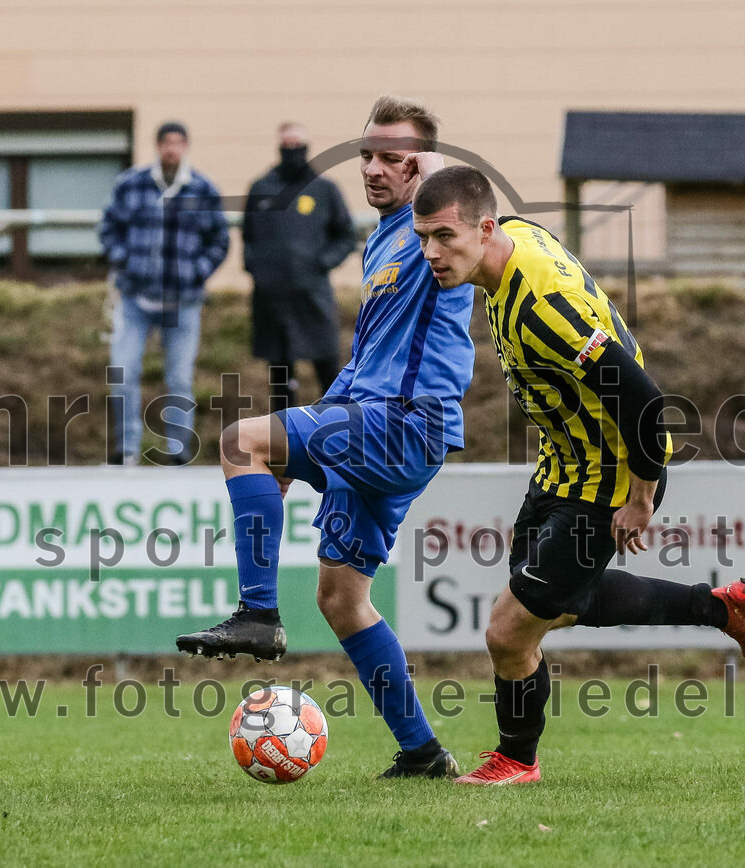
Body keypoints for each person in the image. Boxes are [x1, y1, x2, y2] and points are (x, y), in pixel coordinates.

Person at [409, 165, 745, 785]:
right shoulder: (510, 239)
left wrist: (641, 495)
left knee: (508, 631)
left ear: (486, 228)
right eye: (423, 237)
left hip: (609, 478)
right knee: (555, 608)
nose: (431, 253)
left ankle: (517, 760)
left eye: (444, 237)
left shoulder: (546, 310)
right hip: (562, 467)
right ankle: (720, 607)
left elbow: (646, 402)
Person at [177, 96, 475, 779]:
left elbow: (459, 185)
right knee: (342, 597)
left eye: (391, 158)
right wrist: (298, 444)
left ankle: (256, 614)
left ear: (424, 167)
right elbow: (367, 356)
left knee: (235, 441)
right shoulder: (380, 240)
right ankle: (424, 753)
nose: (372, 169)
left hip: (403, 424)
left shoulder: (442, 228)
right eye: (366, 154)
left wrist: (428, 167)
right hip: (372, 419)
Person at [99, 121, 229, 466]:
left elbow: (219, 240)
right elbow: (109, 228)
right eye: (166, 143)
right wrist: (123, 259)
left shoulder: (202, 189)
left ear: (186, 146)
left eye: (178, 143)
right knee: (123, 372)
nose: (171, 149)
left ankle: (177, 450)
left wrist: (197, 271)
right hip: (135, 300)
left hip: (183, 302)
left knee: (179, 378)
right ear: (157, 146)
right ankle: (126, 448)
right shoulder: (131, 184)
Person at [243, 122, 357, 409]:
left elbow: (345, 236)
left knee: (329, 372)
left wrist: (323, 262)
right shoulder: (260, 188)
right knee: (281, 381)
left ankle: (339, 435)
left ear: (307, 148)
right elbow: (248, 237)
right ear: (279, 147)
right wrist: (257, 268)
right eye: (287, 144)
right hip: (272, 300)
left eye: (298, 144)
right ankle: (284, 445)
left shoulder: (325, 190)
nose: (293, 150)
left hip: (313, 296)